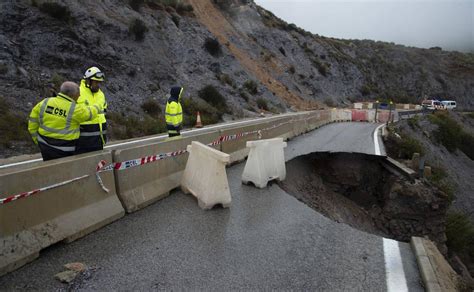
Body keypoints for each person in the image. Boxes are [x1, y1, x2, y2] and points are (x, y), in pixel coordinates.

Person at [28, 82, 100, 161]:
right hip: (65, 149)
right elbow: (89, 114)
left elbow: (33, 122)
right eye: (78, 93)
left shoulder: (45, 102)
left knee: (49, 168)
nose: (79, 96)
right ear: (73, 95)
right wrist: (97, 106)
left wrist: (36, 139)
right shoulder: (74, 109)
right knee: (64, 170)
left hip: (44, 146)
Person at [76, 66, 108, 154]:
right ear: (88, 81)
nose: (98, 84)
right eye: (96, 82)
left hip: (98, 142)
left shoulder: (101, 94)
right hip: (82, 144)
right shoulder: (77, 92)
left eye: (100, 82)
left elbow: (103, 115)